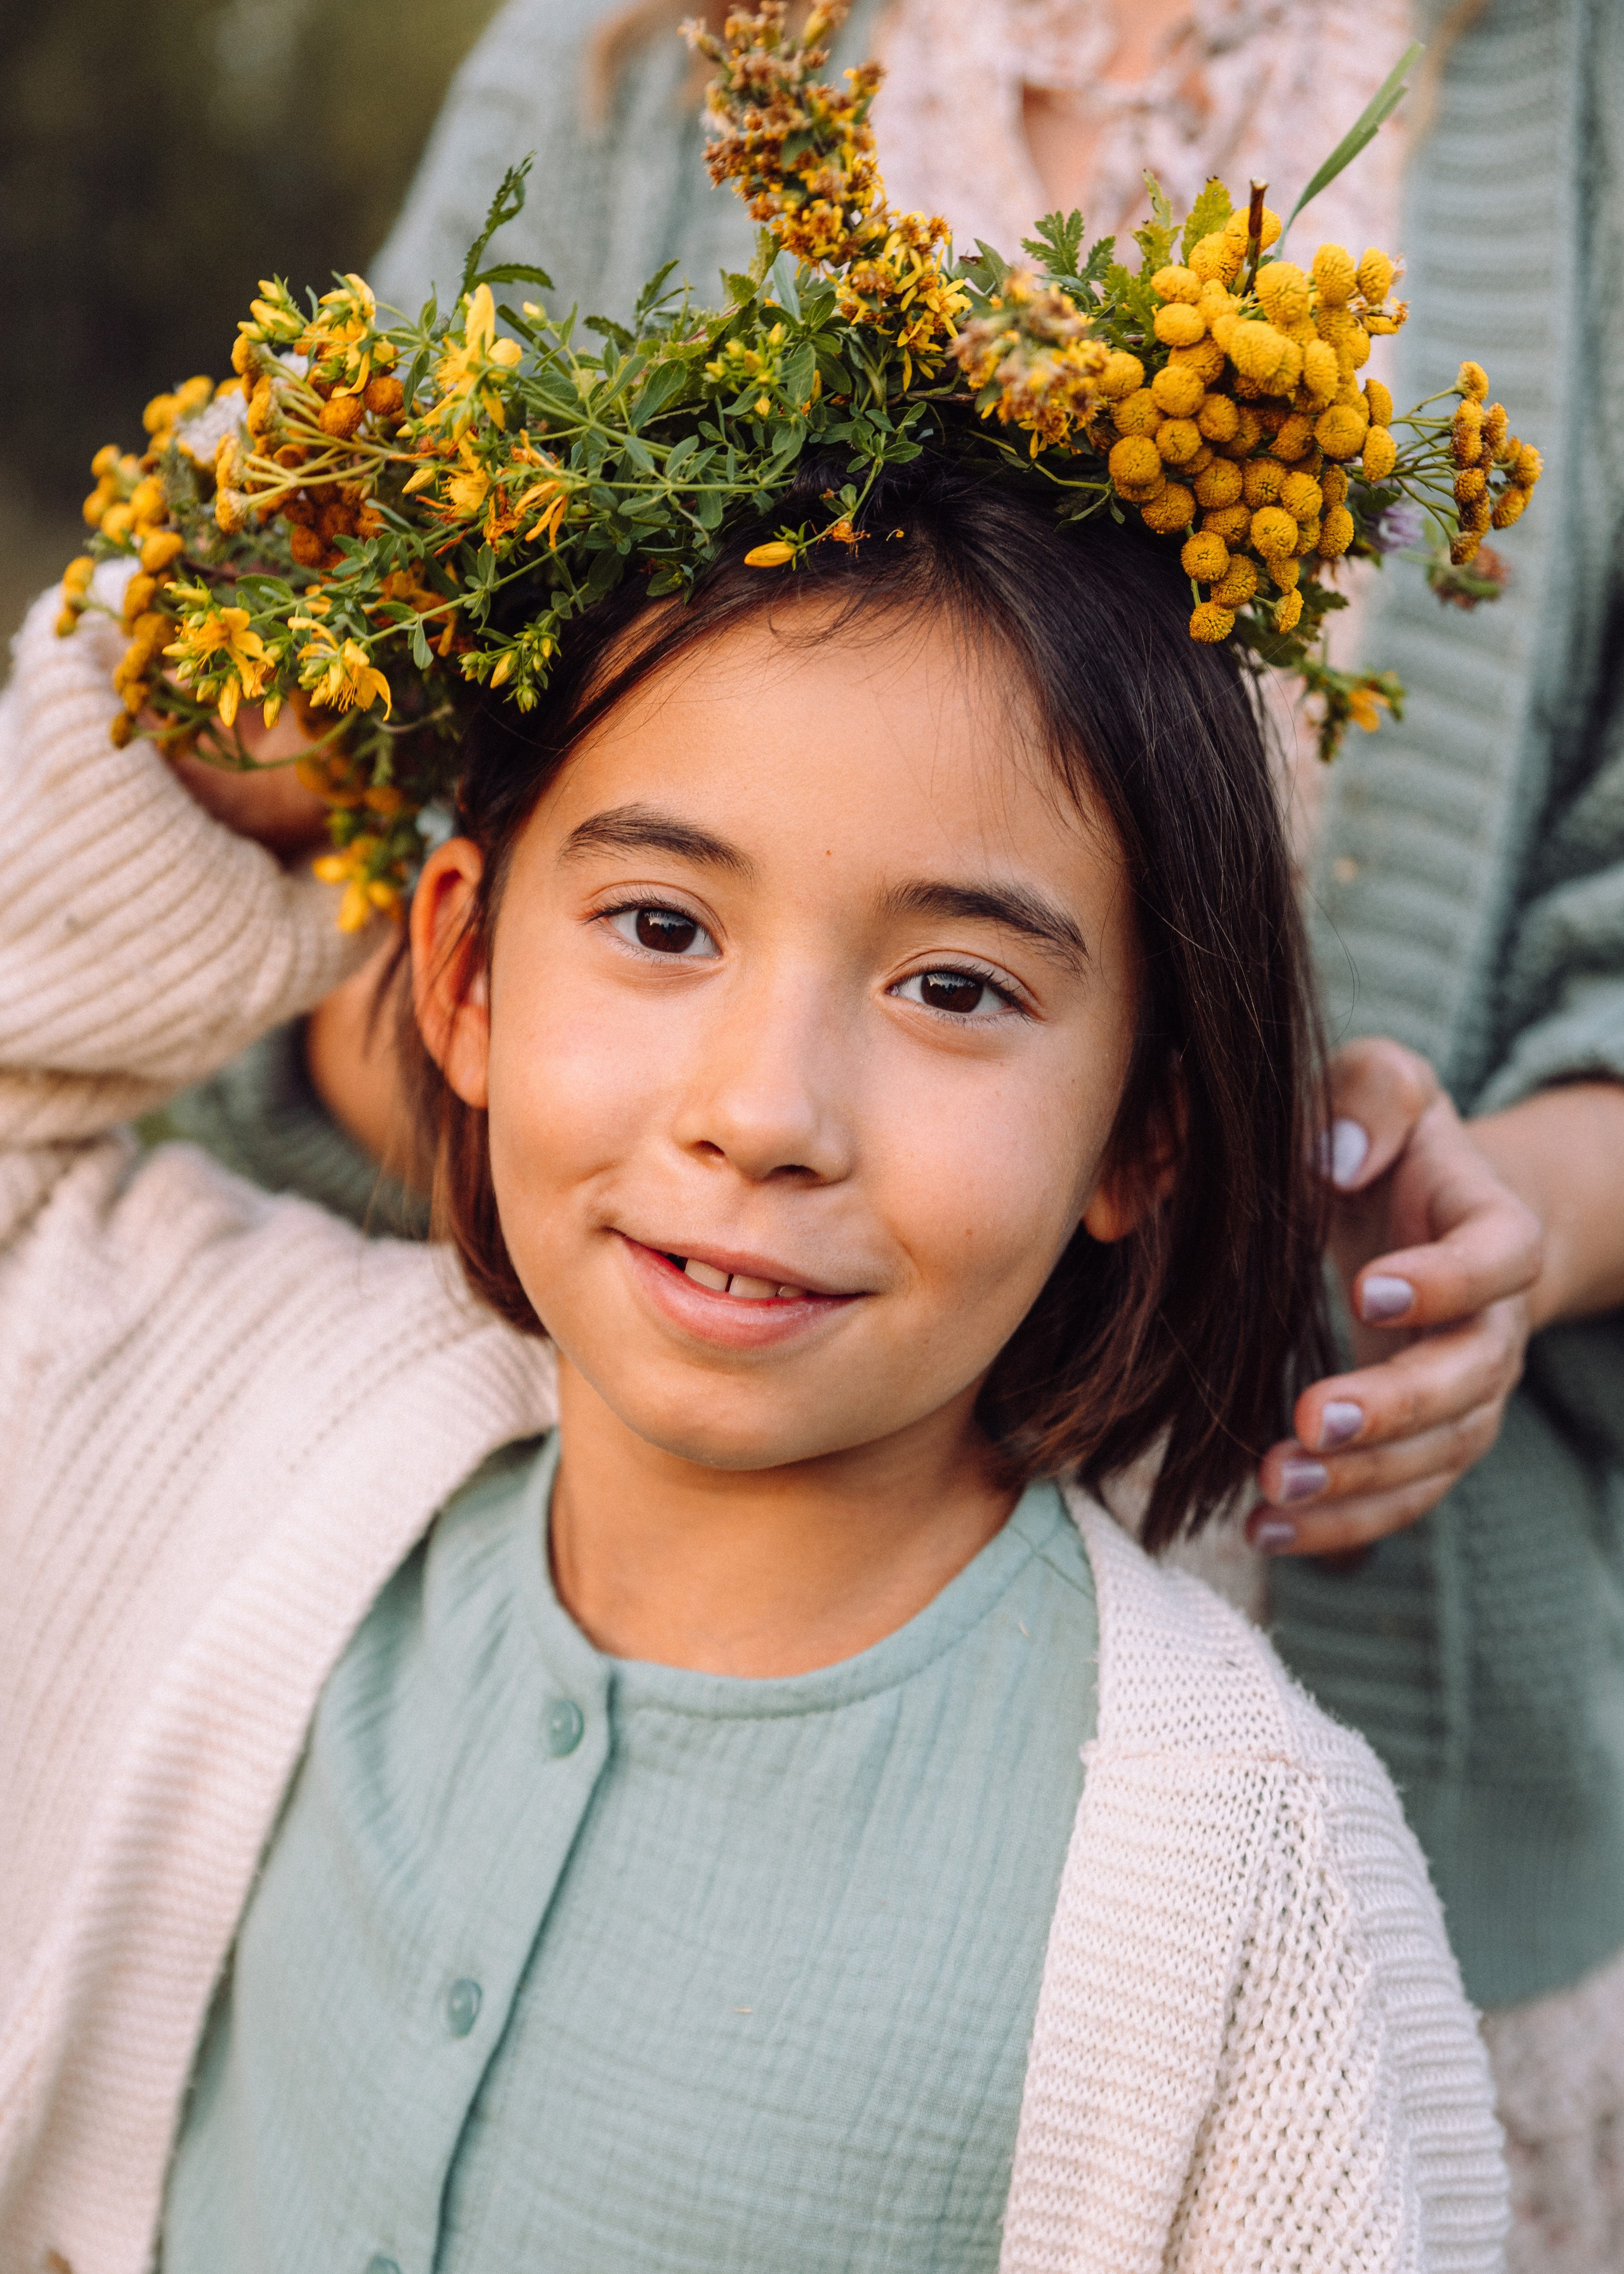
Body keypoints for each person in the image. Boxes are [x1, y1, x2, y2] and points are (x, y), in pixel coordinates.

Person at [0, 429, 1506, 2265]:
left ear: (1143, 1131)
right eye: (661, 924)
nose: (766, 1109)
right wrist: (208, 742)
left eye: (953, 987)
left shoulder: (1242, 1886)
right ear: (464, 975)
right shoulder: (240, 1417)